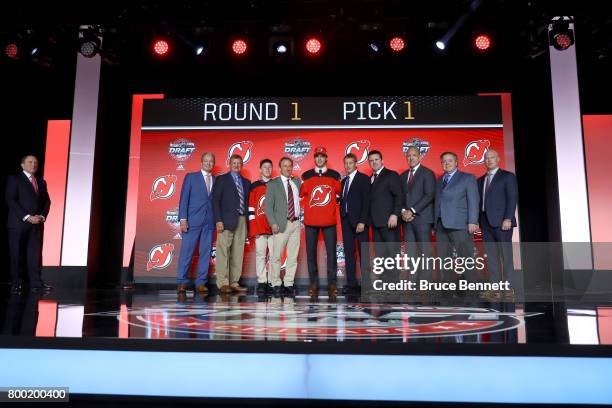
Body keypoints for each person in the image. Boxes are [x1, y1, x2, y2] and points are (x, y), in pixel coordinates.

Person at [6, 155, 52, 293]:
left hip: (36, 223)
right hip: (18, 223)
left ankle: (36, 283)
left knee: (34, 254)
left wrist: (42, 216)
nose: (33, 164)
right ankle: (17, 283)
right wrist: (26, 217)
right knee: (16, 253)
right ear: (22, 164)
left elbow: (47, 202)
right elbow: (10, 200)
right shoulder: (14, 179)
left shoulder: (41, 182)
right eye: (30, 162)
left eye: (35, 162)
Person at [300, 147, 342, 297]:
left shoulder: (334, 175)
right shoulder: (306, 176)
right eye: (317, 156)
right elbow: (300, 194)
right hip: (311, 221)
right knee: (311, 254)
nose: (319, 158)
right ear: (314, 158)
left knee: (332, 254)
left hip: (329, 221)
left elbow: (340, 194)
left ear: (326, 158)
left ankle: (332, 284)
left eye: (322, 156)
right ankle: (314, 284)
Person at [434, 151, 479, 283]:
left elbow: (473, 200)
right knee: (444, 261)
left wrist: (472, 221)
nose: (447, 163)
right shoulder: (438, 180)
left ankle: (472, 293)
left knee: (466, 260)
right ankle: (447, 292)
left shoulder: (467, 178)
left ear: (456, 162)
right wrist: (434, 224)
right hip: (441, 226)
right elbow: (437, 202)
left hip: (461, 225)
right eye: (444, 161)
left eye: (450, 160)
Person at [478, 149, 518, 297]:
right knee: (492, 258)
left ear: (498, 159)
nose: (489, 160)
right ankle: (494, 288)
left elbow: (512, 198)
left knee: (506, 256)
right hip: (486, 223)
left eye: (492, 157)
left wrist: (508, 218)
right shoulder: (480, 180)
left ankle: (508, 288)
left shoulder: (507, 176)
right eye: (486, 158)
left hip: (503, 223)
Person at [176, 152, 216, 294]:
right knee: (187, 252)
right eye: (206, 161)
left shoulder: (216, 180)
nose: (208, 163)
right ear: (201, 162)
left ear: (213, 163)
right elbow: (184, 199)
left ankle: (201, 283)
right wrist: (183, 219)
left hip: (209, 222)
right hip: (192, 221)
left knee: (205, 253)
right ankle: (181, 282)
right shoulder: (191, 177)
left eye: (211, 161)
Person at [212, 154, 251, 294]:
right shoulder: (222, 179)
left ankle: (234, 282)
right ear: (229, 164)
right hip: (225, 220)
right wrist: (218, 220)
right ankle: (223, 283)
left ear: (242, 165)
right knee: (223, 252)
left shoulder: (246, 182)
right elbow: (215, 201)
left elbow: (247, 204)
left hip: (241, 220)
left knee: (238, 253)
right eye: (234, 163)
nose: (236, 165)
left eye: (239, 163)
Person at [265, 157, 302, 297]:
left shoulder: (296, 182)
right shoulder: (273, 184)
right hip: (281, 223)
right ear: (280, 168)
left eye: (289, 166)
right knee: (276, 256)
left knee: (293, 256)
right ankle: (275, 283)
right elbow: (268, 207)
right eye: (284, 166)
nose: (287, 168)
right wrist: (273, 223)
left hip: (295, 223)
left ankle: (289, 283)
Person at [399, 147, 436, 281]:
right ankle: (412, 282)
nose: (411, 158)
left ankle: (425, 283)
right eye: (408, 155)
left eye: (414, 155)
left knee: (424, 252)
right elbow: (400, 197)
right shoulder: (403, 176)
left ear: (420, 157)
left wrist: (412, 211)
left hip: (423, 219)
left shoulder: (427, 173)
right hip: (407, 221)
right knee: (411, 253)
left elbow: (429, 195)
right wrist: (403, 211)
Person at [339, 153, 370, 295]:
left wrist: (362, 221)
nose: (347, 166)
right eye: (346, 163)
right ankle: (351, 284)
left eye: (350, 163)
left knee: (363, 254)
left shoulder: (363, 179)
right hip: (346, 221)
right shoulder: (343, 181)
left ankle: (366, 284)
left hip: (359, 222)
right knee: (349, 254)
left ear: (355, 163)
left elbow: (367, 202)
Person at [368, 150, 402, 259]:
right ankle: (383, 277)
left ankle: (394, 277)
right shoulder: (370, 178)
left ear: (382, 160)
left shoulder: (391, 174)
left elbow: (399, 196)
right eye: (371, 160)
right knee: (380, 257)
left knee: (392, 256)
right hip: (375, 224)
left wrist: (395, 214)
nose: (374, 162)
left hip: (389, 223)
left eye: (376, 159)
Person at [248, 159, 274, 296]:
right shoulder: (254, 186)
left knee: (275, 256)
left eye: (270, 167)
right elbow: (251, 208)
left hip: (274, 227)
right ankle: (262, 281)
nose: (267, 169)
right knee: (260, 255)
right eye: (265, 167)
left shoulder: (277, 185)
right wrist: (253, 228)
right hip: (259, 227)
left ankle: (272, 281)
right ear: (260, 169)